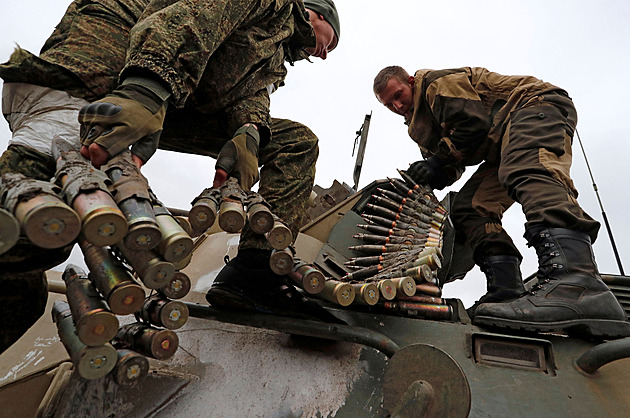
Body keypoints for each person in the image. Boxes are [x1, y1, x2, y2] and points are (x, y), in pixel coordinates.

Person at [0, 0, 341, 353]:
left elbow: (243, 88)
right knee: (28, 244)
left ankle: (257, 268)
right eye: (330, 41)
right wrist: (144, 90)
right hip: (99, 76)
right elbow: (190, 19)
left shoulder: (275, 50)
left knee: (295, 143)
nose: (327, 53)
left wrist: (250, 130)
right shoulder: (276, 5)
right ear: (316, 13)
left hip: (164, 90)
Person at [373, 66, 630, 339]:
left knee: (528, 169)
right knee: (469, 208)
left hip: (531, 107)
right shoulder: (420, 126)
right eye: (390, 105)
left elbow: (473, 125)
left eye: (399, 95)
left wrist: (436, 162)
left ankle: (577, 282)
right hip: (500, 146)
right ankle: (506, 290)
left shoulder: (437, 84)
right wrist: (428, 174)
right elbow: (452, 163)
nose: (398, 105)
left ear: (411, 82)